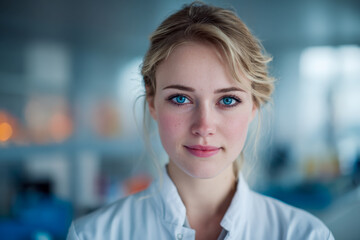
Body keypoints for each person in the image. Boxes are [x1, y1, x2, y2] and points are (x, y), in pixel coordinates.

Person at [67, 2, 334, 239]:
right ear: (152, 103)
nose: (204, 126)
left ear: (253, 105)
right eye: (181, 99)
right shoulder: (94, 234)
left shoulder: (305, 235)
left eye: (227, 100)